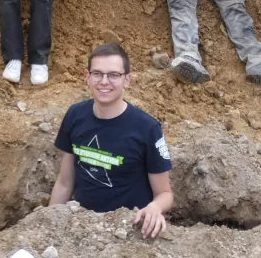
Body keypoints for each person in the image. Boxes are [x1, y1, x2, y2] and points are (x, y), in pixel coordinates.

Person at [50, 43, 173, 239]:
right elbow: (65, 183)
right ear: (87, 78)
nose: (104, 81)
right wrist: (50, 222)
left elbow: (165, 194)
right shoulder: (75, 115)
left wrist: (154, 208)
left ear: (127, 80)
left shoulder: (147, 128)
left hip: (127, 231)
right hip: (81, 227)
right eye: (97, 74)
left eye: (113, 75)